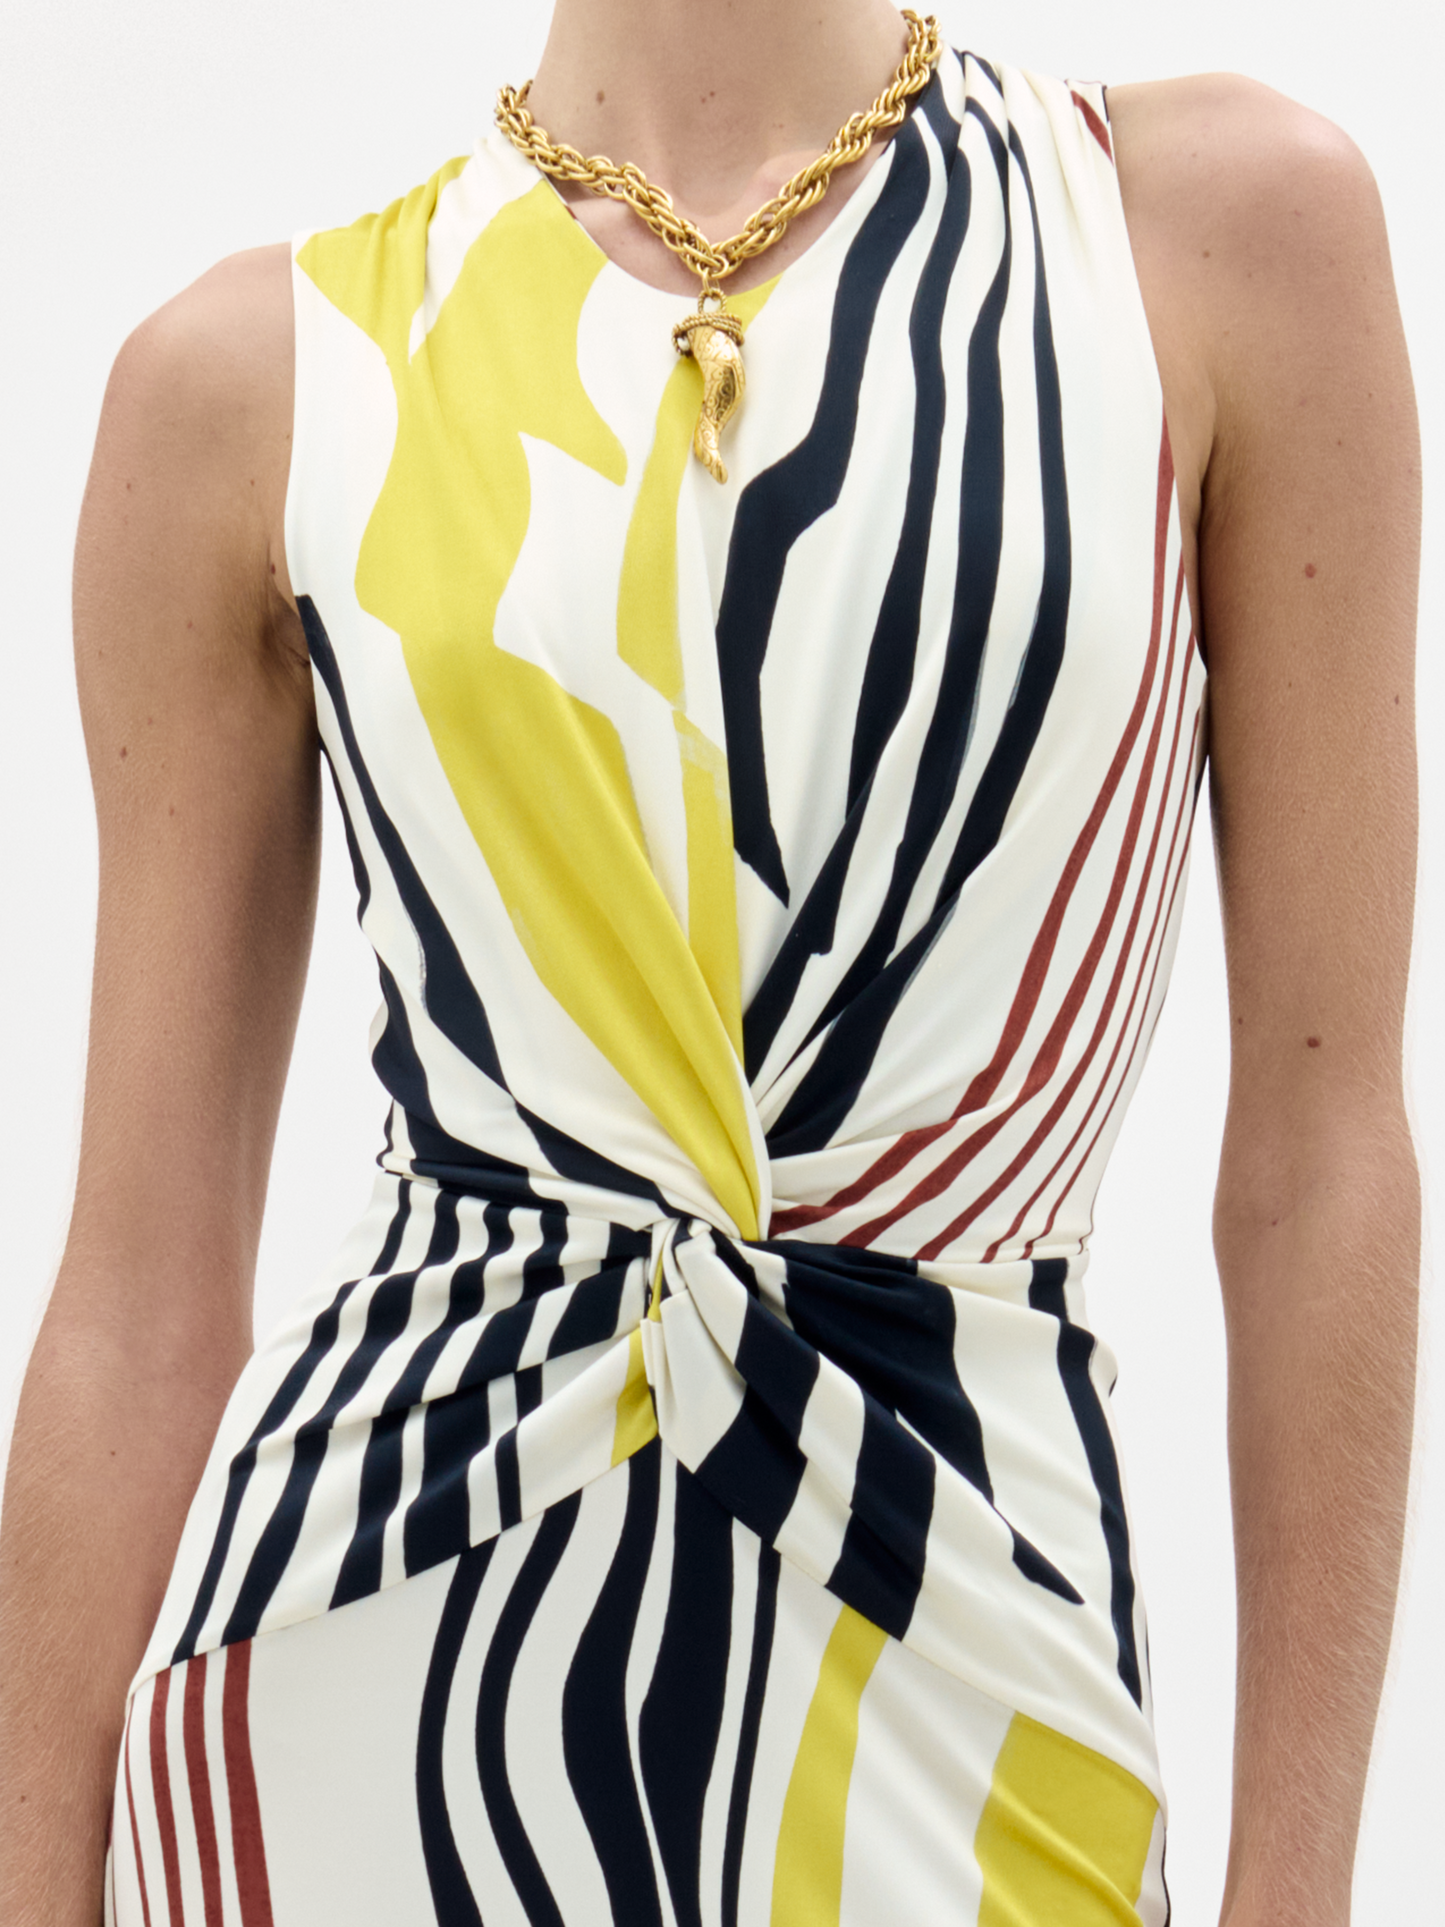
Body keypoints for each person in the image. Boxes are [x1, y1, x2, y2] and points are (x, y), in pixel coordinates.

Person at [0, 0, 1420, 1920]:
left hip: (976, 1664)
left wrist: (1299, 1888)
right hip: (356, 1712)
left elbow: (1324, 1155)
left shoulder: (1207, 240)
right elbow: (139, 1292)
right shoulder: (258, 377)